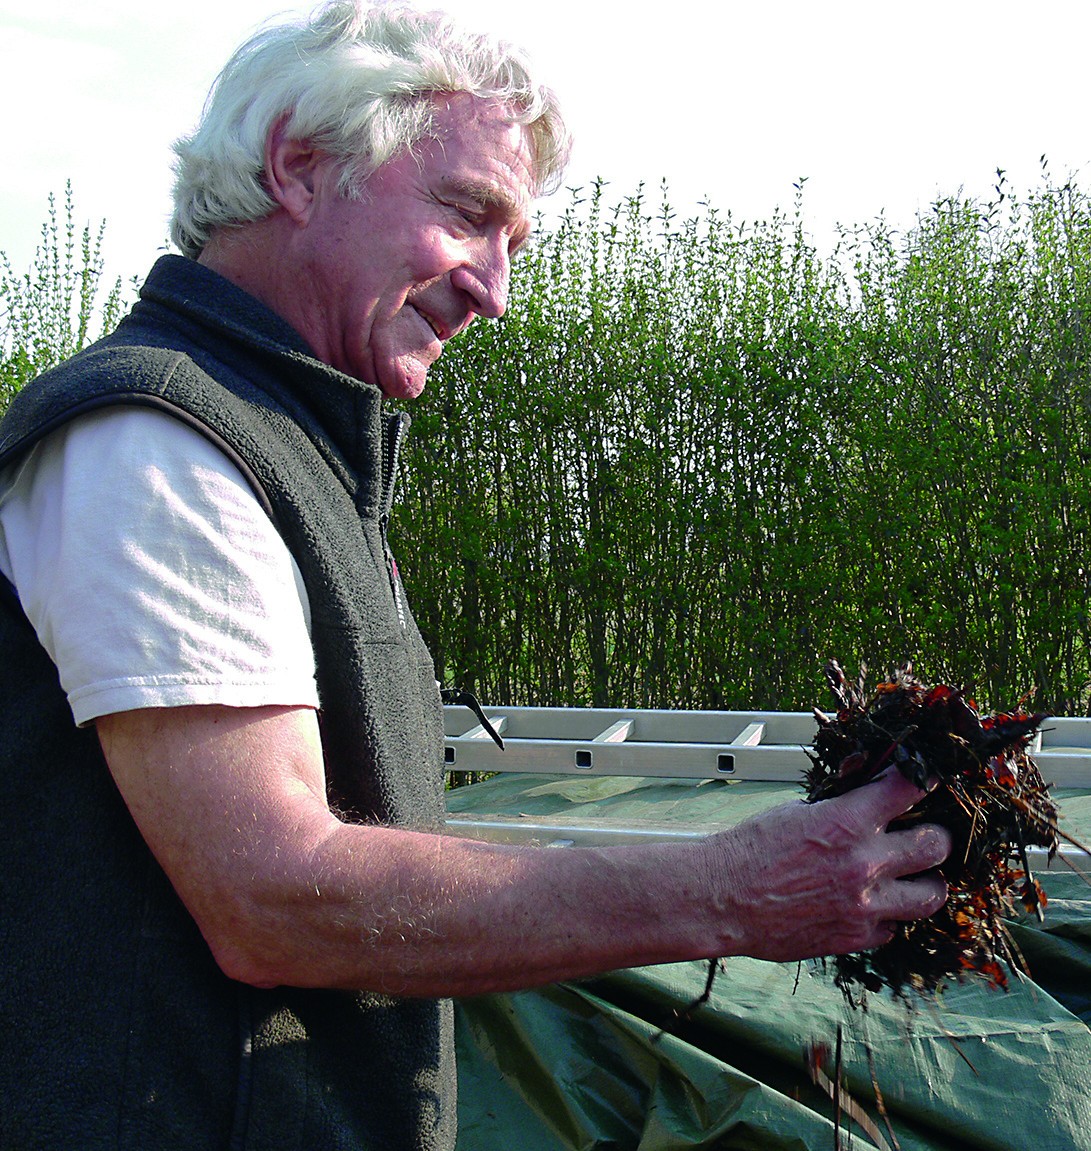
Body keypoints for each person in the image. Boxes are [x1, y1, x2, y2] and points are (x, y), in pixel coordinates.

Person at [0, 3, 951, 1148]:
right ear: (298, 167)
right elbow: (271, 896)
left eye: (517, 243)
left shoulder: (296, 451)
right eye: (466, 215)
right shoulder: (151, 445)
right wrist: (722, 892)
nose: (495, 289)